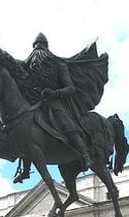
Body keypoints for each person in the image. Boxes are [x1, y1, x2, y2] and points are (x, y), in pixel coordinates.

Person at [11, 32, 93, 183]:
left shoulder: (58, 64)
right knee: (24, 129)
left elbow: (70, 88)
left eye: (40, 46)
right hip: (34, 103)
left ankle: (85, 154)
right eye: (35, 46)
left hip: (54, 101)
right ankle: (26, 169)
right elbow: (12, 64)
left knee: (67, 125)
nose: (37, 49)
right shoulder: (27, 64)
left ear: (46, 47)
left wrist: (54, 93)